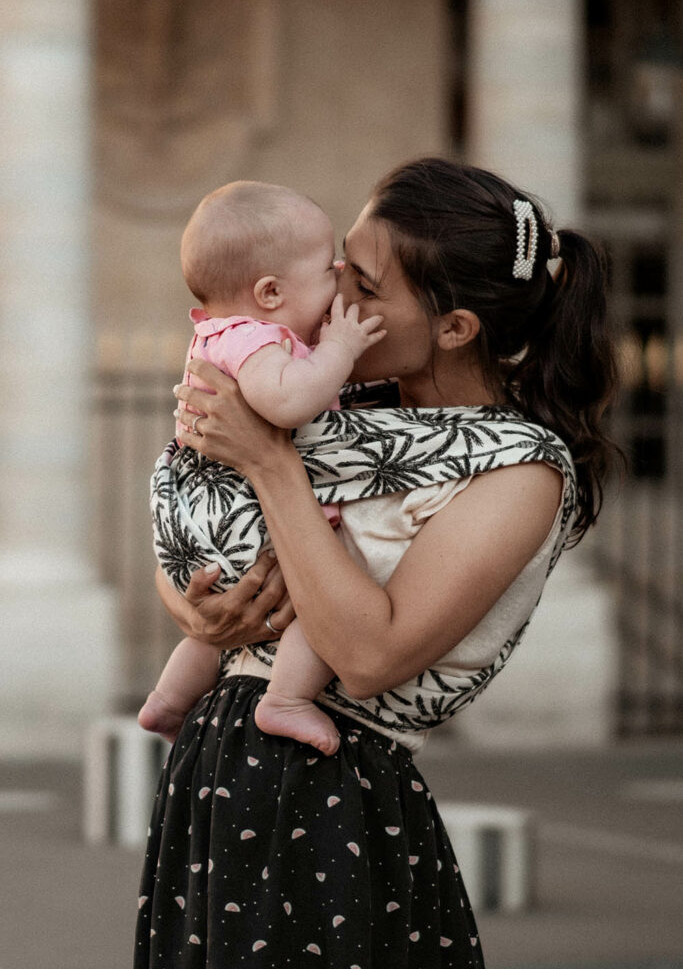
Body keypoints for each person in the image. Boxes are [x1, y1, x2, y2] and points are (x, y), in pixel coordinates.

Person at [135, 157, 619, 969]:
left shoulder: (518, 468)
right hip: (217, 770)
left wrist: (271, 464)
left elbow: (365, 658)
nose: (331, 299)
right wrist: (200, 612)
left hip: (324, 791)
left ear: (455, 327)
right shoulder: (332, 400)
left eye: (360, 283)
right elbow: (193, 526)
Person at [139, 180, 385, 754]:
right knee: (323, 591)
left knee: (223, 623)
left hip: (208, 513)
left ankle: (169, 702)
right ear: (270, 292)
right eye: (329, 267)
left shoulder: (224, 333)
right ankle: (287, 699)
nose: (343, 271)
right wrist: (340, 349)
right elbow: (290, 402)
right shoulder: (253, 339)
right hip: (245, 512)